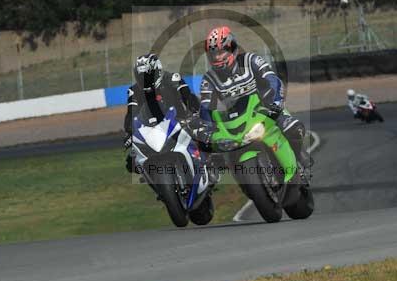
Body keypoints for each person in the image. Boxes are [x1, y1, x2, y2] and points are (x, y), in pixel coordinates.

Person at [198, 26, 307, 162]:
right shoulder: (208, 78)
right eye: (213, 54)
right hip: (235, 121)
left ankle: (299, 156)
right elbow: (205, 106)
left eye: (220, 52)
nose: (217, 57)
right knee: (207, 149)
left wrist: (277, 102)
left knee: (293, 128)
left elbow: (272, 79)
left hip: (266, 108)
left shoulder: (251, 60)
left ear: (232, 48)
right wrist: (205, 129)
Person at [123, 53, 200, 174]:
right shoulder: (134, 91)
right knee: (131, 163)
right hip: (151, 130)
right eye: (141, 76)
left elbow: (187, 96)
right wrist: (129, 132)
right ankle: (160, 187)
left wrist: (194, 113)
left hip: (179, 122)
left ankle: (209, 167)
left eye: (147, 75)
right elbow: (131, 113)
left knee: (203, 140)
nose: (145, 80)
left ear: (157, 71)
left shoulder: (172, 79)